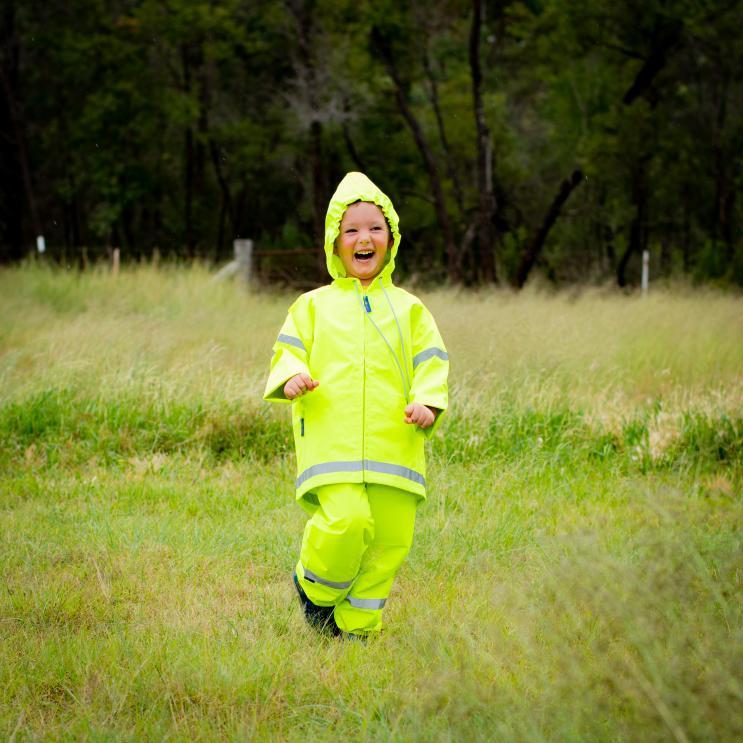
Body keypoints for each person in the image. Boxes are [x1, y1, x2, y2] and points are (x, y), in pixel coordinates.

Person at [264, 172, 449, 639]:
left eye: (375, 228)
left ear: (391, 239)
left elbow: (432, 360)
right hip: (332, 443)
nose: (364, 238)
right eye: (351, 230)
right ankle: (315, 590)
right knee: (347, 521)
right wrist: (290, 376)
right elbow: (286, 350)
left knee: (390, 541)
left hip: (396, 448)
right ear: (334, 242)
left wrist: (428, 402)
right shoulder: (312, 306)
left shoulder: (409, 309)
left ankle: (357, 626)